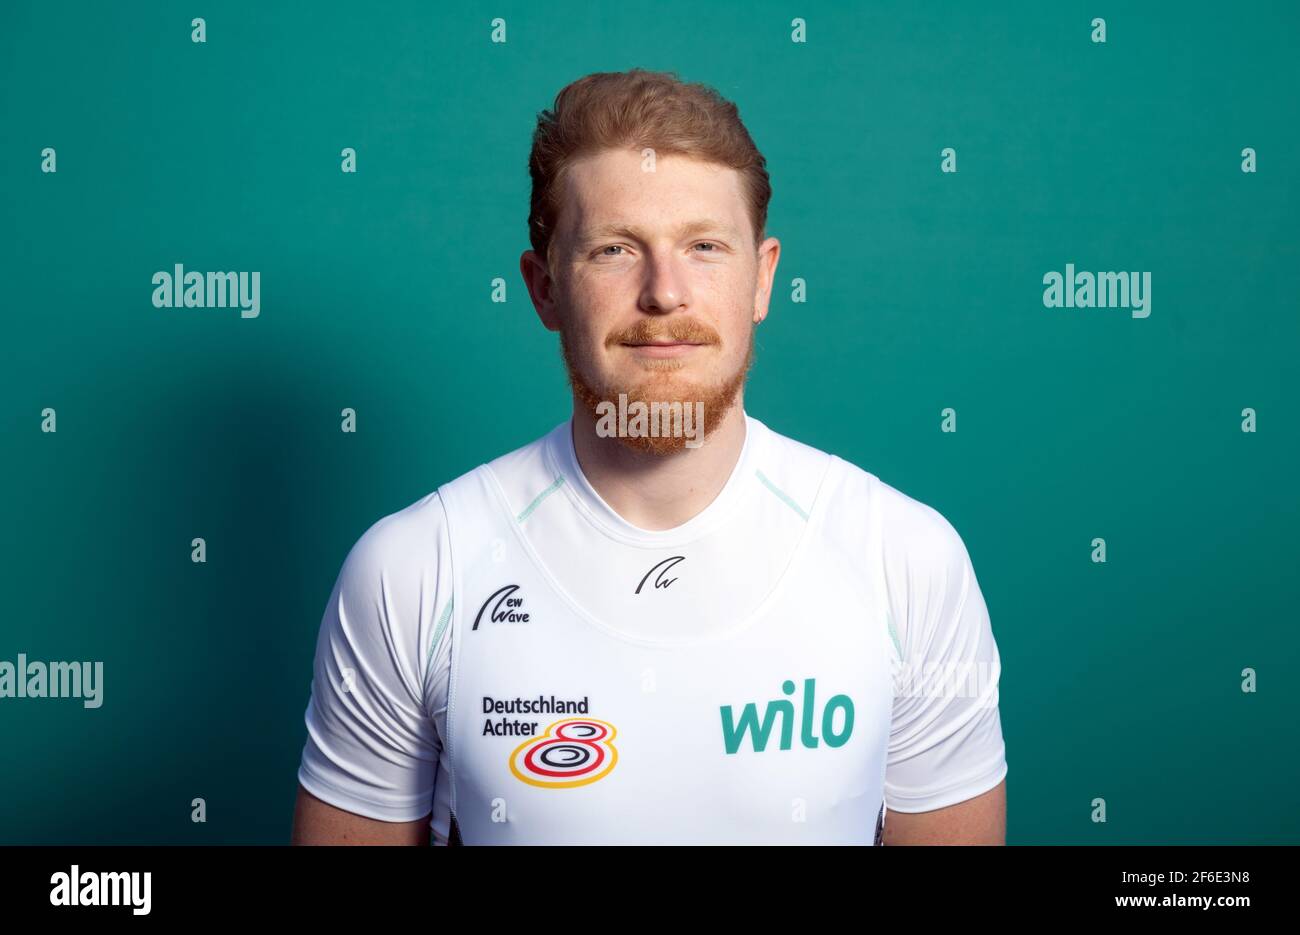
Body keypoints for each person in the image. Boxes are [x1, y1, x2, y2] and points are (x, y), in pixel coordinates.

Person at [291, 68, 1007, 845]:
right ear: (543, 289)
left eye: (704, 245)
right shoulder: (415, 569)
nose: (665, 292)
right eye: (613, 250)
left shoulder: (904, 561)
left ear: (762, 279)